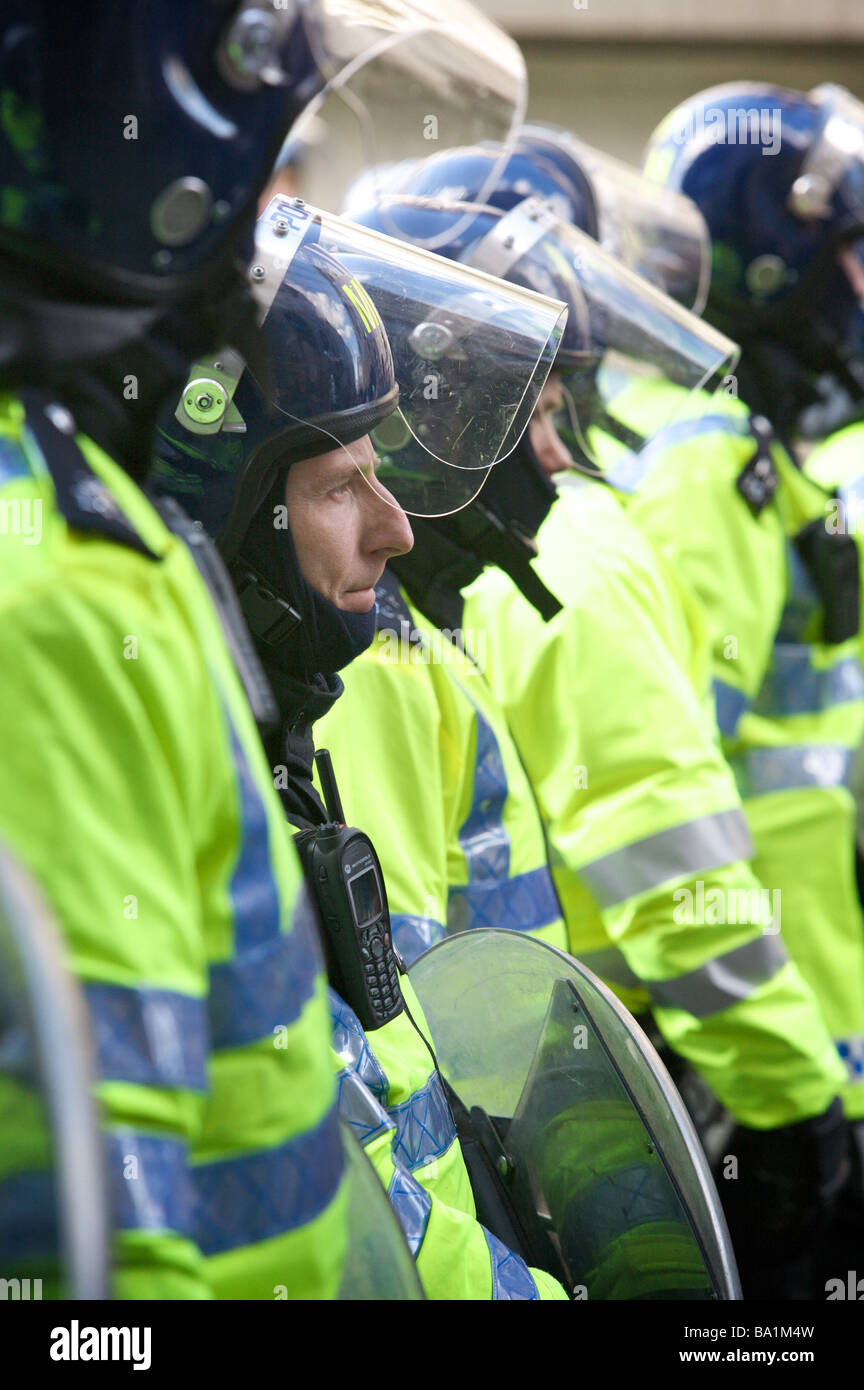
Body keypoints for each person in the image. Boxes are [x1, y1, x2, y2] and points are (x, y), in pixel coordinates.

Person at [0, 0, 529, 1300]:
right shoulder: (64, 586)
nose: (398, 531)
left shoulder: (102, 525)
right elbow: (108, 1254)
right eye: (249, 200)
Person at [335, 173, 859, 1297]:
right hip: (521, 1173)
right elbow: (428, 1004)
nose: (562, 459)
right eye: (534, 416)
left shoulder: (429, 623)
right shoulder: (383, 653)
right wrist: (789, 1102)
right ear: (439, 423)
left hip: (542, 1150)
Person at [153, 196, 570, 1300]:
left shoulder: (266, 755)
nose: (395, 529)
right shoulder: (176, 807)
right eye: (341, 486)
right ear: (220, 534)